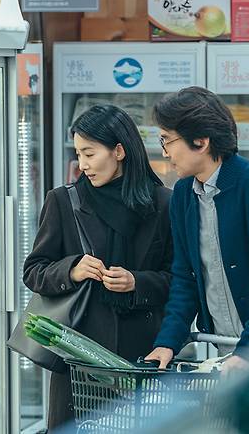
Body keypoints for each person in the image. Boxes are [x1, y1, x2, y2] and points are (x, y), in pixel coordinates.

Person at [23, 104, 173, 430]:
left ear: (119, 150)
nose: (83, 165)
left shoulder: (163, 204)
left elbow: (180, 279)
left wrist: (138, 282)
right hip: (79, 361)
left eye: (90, 153)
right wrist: (72, 269)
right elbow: (34, 270)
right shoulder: (65, 201)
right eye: (78, 154)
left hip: (142, 358)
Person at [145, 86, 249, 372]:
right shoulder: (183, 194)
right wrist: (168, 342)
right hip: (227, 349)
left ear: (200, 141)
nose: (165, 152)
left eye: (168, 140)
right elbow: (185, 277)